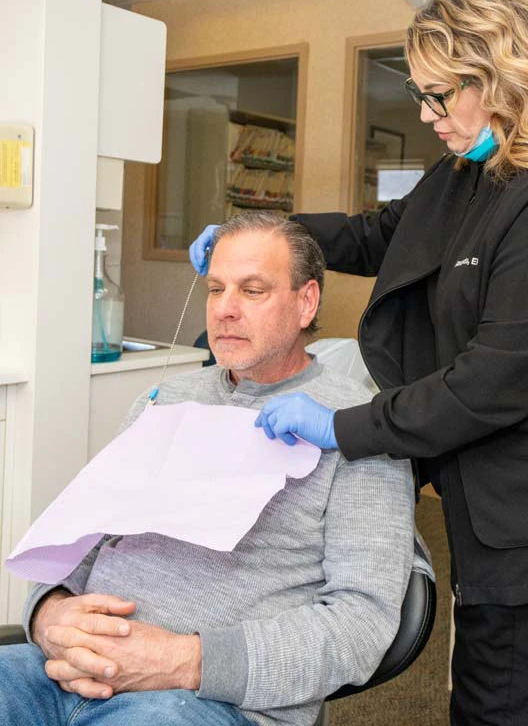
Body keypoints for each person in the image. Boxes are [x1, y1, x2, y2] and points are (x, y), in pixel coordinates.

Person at [190, 0, 528, 725]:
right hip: (490, 489)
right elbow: (380, 235)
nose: (425, 112)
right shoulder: (462, 176)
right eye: (420, 92)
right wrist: (268, 234)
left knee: (496, 703)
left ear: (500, 78)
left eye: (439, 93)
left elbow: (491, 384)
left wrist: (340, 427)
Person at [0, 213, 415, 726]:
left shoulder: (359, 429)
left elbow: (362, 626)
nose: (225, 310)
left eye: (253, 291)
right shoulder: (166, 400)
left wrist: (182, 662)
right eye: (216, 289)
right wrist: (50, 616)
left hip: (205, 701)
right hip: (59, 672)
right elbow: (74, 545)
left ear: (306, 302)